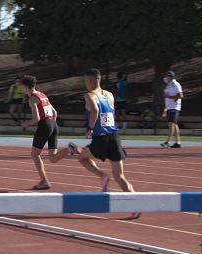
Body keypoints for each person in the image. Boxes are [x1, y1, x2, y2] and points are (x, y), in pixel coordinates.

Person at [55, 69, 139, 217]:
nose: (85, 84)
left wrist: (90, 128)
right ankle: (135, 206)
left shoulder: (89, 95)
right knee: (120, 177)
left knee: (82, 157)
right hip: (114, 137)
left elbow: (94, 110)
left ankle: (101, 175)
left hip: (101, 138)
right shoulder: (109, 95)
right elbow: (110, 114)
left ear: (91, 80)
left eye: (86, 81)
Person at [20, 75, 63, 190]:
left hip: (45, 125)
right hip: (53, 125)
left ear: (25, 87)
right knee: (53, 158)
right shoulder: (43, 95)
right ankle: (70, 149)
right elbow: (54, 112)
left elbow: (36, 118)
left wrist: (26, 124)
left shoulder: (32, 98)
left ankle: (44, 182)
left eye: (22, 87)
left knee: (35, 154)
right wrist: (51, 125)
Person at [160, 70, 183, 148]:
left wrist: (170, 97)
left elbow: (181, 95)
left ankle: (167, 142)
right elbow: (167, 99)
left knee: (171, 125)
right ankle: (178, 142)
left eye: (166, 76)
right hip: (170, 108)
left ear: (170, 77)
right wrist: (165, 109)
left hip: (174, 108)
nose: (164, 78)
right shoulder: (168, 86)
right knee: (174, 125)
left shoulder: (175, 84)